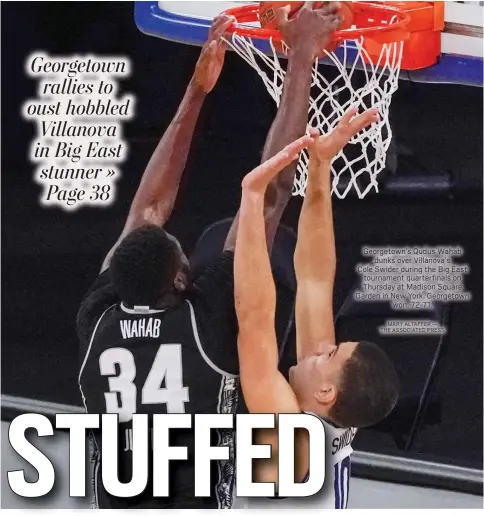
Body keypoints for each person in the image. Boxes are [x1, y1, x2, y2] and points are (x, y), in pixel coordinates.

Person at [76, 4, 342, 509]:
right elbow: (263, 195)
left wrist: (201, 90)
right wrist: (301, 54)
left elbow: (149, 212)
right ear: (180, 282)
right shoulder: (196, 318)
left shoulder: (102, 319)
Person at [234, 110, 400, 509]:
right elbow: (314, 280)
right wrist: (321, 167)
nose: (321, 347)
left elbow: (255, 320)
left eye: (329, 354)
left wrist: (253, 200)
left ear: (326, 392)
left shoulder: (295, 439)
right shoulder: (331, 414)